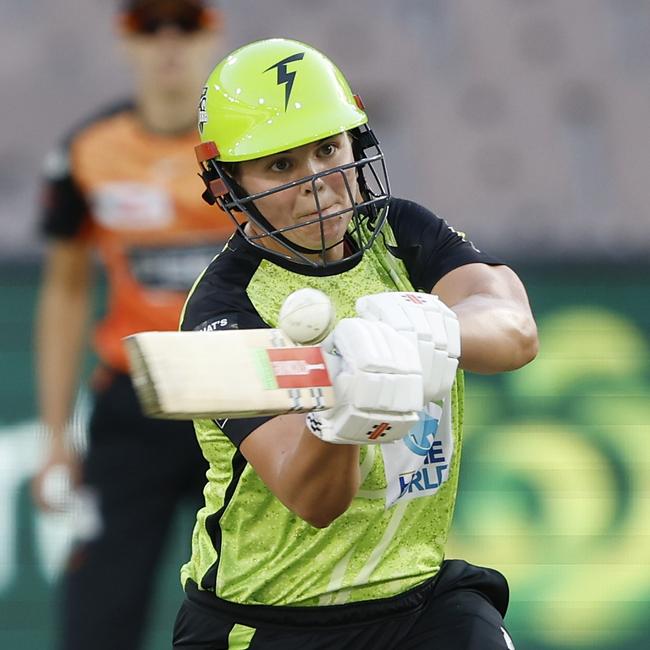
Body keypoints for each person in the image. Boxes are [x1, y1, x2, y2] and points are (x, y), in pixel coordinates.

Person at [173, 38, 539, 649]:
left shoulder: (399, 232)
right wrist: (348, 404)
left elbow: (514, 328)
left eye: (327, 148)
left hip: (418, 600)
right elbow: (314, 499)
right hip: (268, 617)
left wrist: (428, 329)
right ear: (229, 183)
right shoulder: (223, 312)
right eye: (281, 166)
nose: (318, 181)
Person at [31, 2, 229, 649]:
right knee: (99, 614)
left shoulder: (250, 149)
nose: (168, 42)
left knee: (262, 600)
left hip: (239, 398)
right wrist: (57, 435)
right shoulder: (88, 152)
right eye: (150, 27)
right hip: (134, 403)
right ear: (126, 42)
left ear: (211, 34)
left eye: (185, 24)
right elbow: (64, 290)